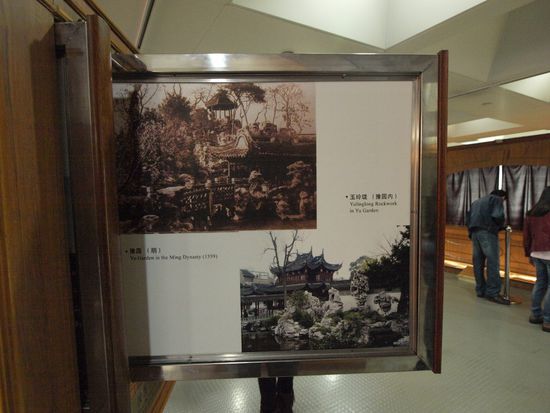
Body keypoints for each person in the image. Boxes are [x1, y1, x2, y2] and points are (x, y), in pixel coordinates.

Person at [466, 189, 509, 304]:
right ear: (503, 197)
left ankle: (480, 290)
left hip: (474, 233)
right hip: (487, 232)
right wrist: (501, 226)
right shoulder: (496, 199)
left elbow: (468, 219)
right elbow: (497, 215)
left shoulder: (476, 202)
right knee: (493, 262)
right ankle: (493, 293)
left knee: (478, 263)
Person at [523, 186, 550, 333]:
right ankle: (548, 320)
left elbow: (526, 236)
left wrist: (528, 253)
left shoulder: (532, 212)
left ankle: (535, 314)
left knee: (540, 283)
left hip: (536, 252)